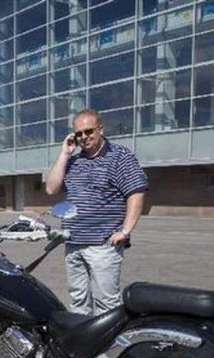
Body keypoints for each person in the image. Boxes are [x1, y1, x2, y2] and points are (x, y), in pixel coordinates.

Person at [45, 108, 148, 315]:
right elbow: (51, 189)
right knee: (78, 301)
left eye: (89, 131)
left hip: (103, 246)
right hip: (73, 243)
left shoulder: (120, 157)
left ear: (100, 129)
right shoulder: (74, 161)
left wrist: (125, 231)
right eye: (79, 133)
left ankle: (109, 338)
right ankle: (83, 336)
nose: (84, 137)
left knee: (106, 304)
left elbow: (136, 193)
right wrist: (65, 153)